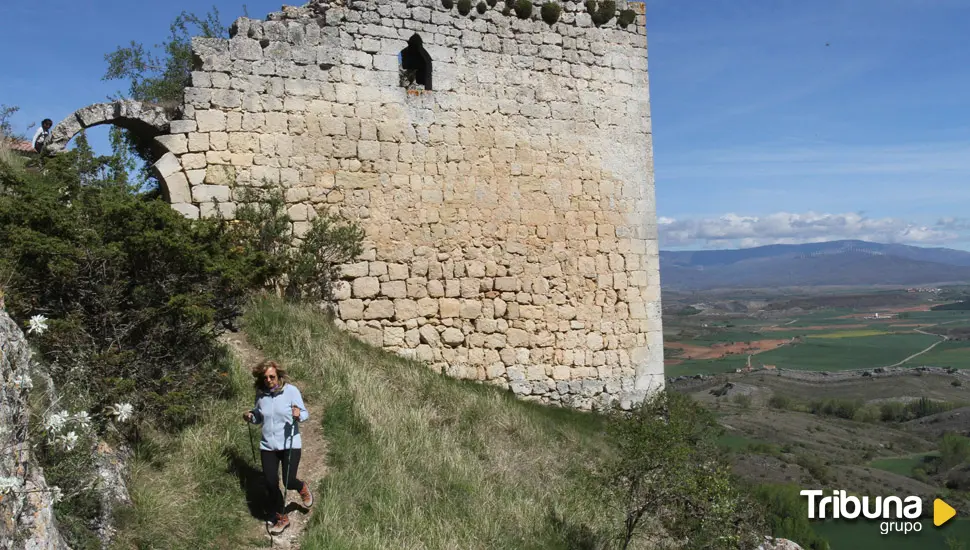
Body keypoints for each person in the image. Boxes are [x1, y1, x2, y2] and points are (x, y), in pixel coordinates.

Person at [243, 360, 313, 535]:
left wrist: (298, 415)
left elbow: (304, 413)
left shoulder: (291, 391)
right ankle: (282, 517)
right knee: (270, 482)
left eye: (272, 376)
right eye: (265, 377)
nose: (268, 380)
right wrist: (251, 416)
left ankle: (301, 487)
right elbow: (259, 416)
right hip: (268, 446)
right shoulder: (261, 394)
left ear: (279, 376)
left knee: (288, 481)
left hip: (290, 443)